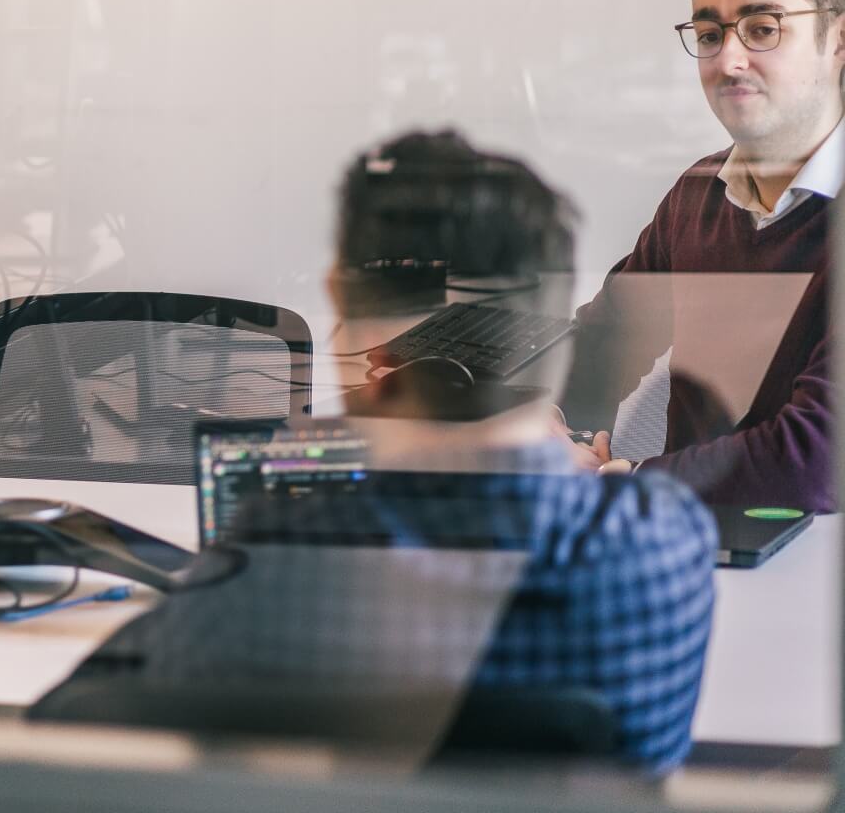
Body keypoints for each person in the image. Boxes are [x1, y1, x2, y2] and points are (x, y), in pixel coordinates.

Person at [39, 132, 716, 774]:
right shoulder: (663, 545)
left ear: (338, 296)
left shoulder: (276, 566)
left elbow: (75, 719)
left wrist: (357, 449)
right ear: (559, 324)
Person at [561, 0, 842, 512]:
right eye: (710, 35)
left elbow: (816, 458)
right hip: (681, 537)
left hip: (812, 565)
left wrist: (624, 478)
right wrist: (561, 431)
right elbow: (605, 341)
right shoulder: (699, 190)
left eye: (763, 29)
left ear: (838, 41)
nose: (728, 61)